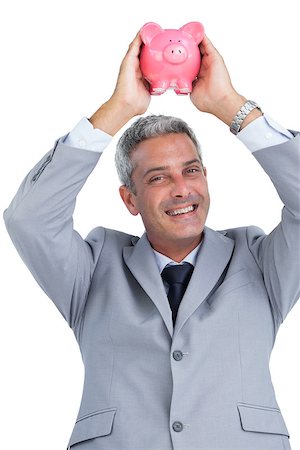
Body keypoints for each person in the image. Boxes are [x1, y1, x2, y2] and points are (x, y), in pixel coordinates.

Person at [3, 29, 299, 450]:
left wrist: (229, 105)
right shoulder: (92, 270)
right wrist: (118, 109)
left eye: (191, 170)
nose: (182, 189)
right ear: (130, 199)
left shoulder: (259, 261)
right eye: (158, 178)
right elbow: (29, 219)